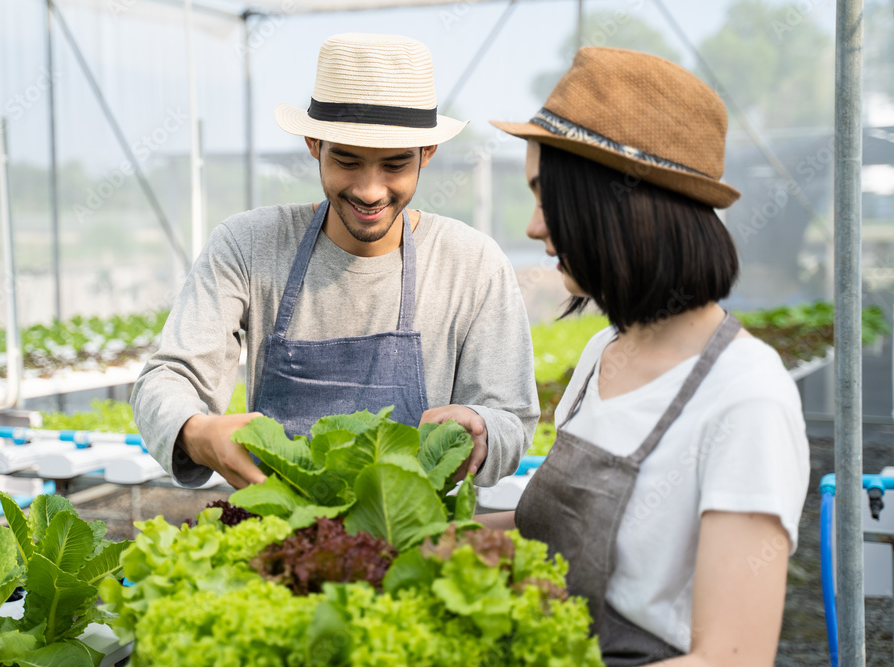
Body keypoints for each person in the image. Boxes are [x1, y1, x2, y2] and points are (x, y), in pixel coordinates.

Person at [482, 47, 810, 665]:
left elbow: (733, 658)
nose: (532, 226)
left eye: (545, 196)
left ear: (619, 201)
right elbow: (547, 535)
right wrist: (418, 540)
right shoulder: (604, 351)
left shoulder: (747, 396)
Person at [131, 33, 538, 492]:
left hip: (407, 539)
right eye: (346, 160)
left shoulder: (472, 263)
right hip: (276, 534)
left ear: (428, 153)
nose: (369, 190)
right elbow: (168, 378)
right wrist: (197, 431)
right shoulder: (248, 246)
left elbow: (512, 418)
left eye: (395, 165)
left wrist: (481, 427)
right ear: (313, 143)